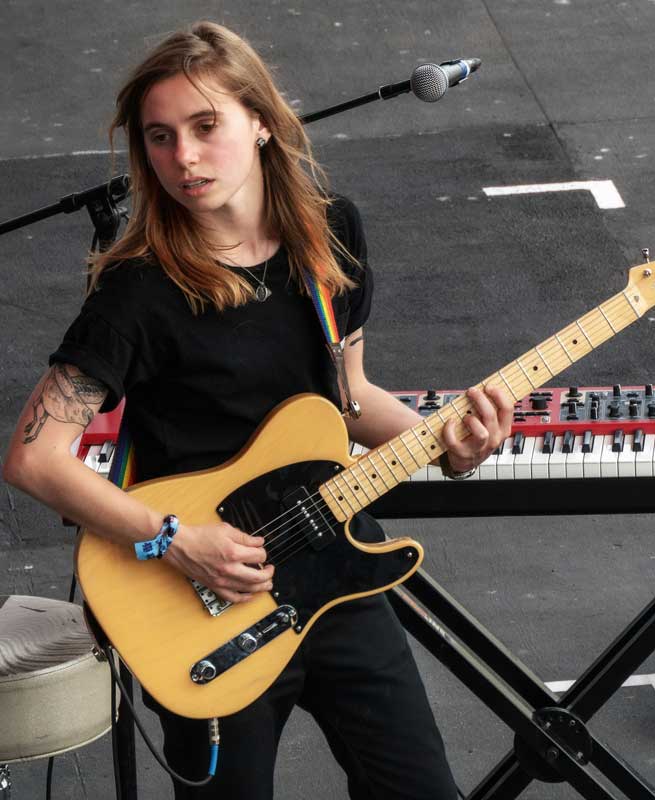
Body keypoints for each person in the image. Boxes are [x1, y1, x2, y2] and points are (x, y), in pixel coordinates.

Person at [2, 21, 513, 800]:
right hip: (205, 598)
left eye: (206, 127)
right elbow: (33, 459)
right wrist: (175, 540)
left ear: (262, 122)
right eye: (161, 138)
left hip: (335, 565)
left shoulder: (330, 233)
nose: (185, 158)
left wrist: (447, 444)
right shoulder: (139, 292)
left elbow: (347, 399)